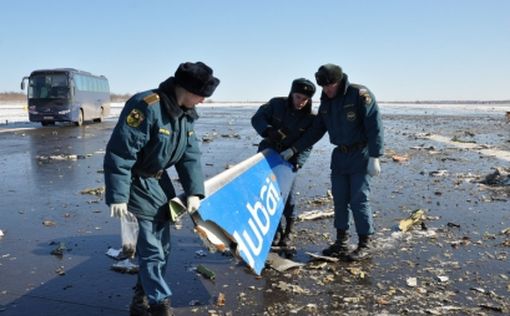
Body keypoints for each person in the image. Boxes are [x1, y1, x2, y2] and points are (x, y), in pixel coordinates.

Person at [104, 61, 219, 316]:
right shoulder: (146, 107)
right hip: (137, 183)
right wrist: (118, 195)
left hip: (158, 183)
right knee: (152, 249)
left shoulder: (185, 114)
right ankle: (159, 304)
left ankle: (140, 299)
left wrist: (194, 191)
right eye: (201, 95)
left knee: (163, 248)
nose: (202, 101)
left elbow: (190, 155)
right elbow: (121, 152)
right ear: (186, 88)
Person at [281, 64, 384, 261]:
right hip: (340, 157)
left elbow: (375, 125)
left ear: (339, 81)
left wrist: (375, 156)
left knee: (358, 199)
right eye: (324, 87)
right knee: (339, 199)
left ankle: (364, 243)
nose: (328, 90)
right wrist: (294, 149)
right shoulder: (327, 101)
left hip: (360, 154)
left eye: (331, 85)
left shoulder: (359, 94)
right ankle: (341, 242)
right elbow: (316, 130)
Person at [251, 78, 316, 249]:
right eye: (297, 97)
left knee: (288, 197)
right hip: (268, 155)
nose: (300, 102)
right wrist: (268, 131)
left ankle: (289, 230)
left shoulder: (310, 118)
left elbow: (308, 143)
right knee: (268, 193)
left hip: (290, 160)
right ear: (291, 93)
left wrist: (299, 162)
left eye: (304, 99)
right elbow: (257, 118)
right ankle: (276, 230)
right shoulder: (276, 104)